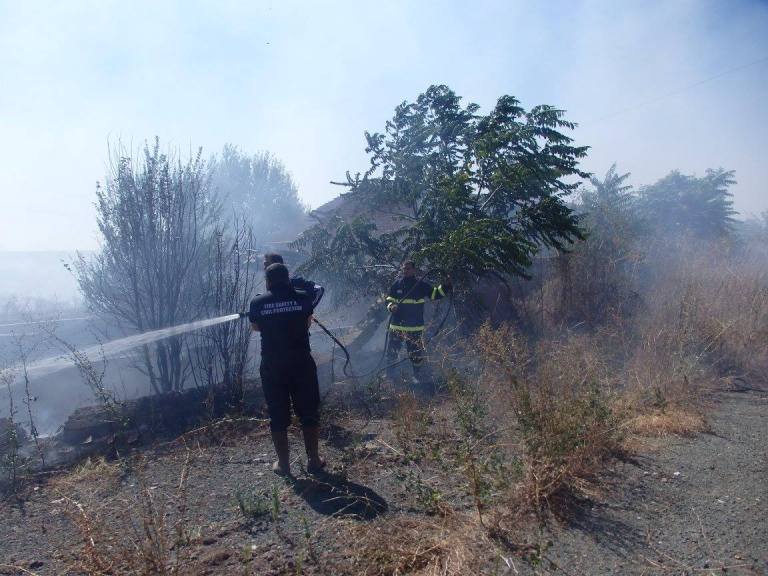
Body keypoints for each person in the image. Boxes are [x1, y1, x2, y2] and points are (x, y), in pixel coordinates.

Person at [249, 262, 324, 477]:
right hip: (301, 362)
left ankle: (284, 465)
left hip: (273, 365)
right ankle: (314, 461)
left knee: (277, 413)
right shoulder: (303, 298)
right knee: (308, 411)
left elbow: (255, 327)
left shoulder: (258, 302)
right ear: (288, 278)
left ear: (268, 281)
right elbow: (307, 323)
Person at [384, 260, 450, 383]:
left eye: (408, 268)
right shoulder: (397, 284)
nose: (405, 271)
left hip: (414, 329)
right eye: (404, 268)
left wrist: (445, 285)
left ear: (414, 270)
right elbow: (388, 299)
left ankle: (418, 377)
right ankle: (390, 377)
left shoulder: (420, 285)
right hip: (397, 327)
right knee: (392, 353)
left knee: (416, 355)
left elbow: (435, 294)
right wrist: (391, 306)